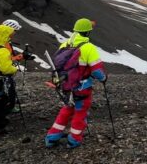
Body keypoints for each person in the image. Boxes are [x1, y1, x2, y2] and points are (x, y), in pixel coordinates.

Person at [45, 18, 107, 148]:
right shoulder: (88, 47)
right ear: (88, 32)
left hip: (65, 86)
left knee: (67, 108)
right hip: (82, 87)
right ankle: (74, 140)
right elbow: (97, 71)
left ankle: (52, 137)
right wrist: (103, 79)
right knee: (80, 111)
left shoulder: (65, 45)